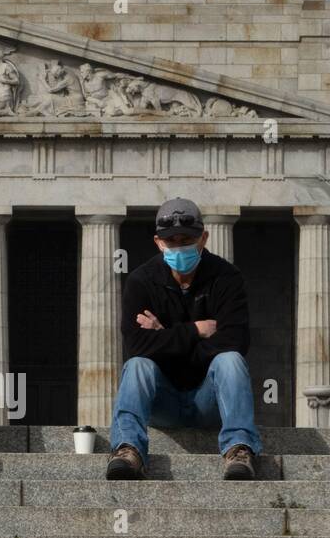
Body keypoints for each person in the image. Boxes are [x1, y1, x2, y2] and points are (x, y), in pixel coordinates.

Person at [107, 197, 262, 480]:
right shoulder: (141, 281)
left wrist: (164, 337)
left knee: (230, 361)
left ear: (203, 238)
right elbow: (136, 346)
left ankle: (240, 448)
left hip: (209, 399)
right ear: (158, 242)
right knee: (139, 365)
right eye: (172, 240)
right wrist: (197, 330)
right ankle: (128, 449)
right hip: (162, 401)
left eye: (187, 239)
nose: (179, 246)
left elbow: (236, 341)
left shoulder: (227, 277)